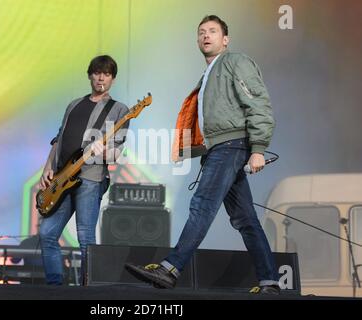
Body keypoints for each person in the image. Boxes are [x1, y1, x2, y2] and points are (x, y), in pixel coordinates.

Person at [125, 15, 280, 294]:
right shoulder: (208, 74)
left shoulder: (235, 62)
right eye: (201, 32)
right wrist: (189, 149)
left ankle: (171, 269)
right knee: (245, 219)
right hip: (219, 148)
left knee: (202, 205)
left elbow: (259, 104)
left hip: (231, 146)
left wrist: (257, 149)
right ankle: (270, 281)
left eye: (212, 31)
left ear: (225, 39)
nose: (206, 36)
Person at [39, 55, 129, 285]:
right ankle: (54, 287)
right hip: (62, 177)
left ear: (113, 79)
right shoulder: (74, 104)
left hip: (90, 178)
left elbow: (116, 154)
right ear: (90, 75)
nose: (101, 77)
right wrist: (47, 168)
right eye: (97, 72)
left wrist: (102, 149)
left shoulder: (119, 110)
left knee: (85, 236)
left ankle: (88, 290)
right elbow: (58, 138)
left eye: (107, 74)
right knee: (47, 234)